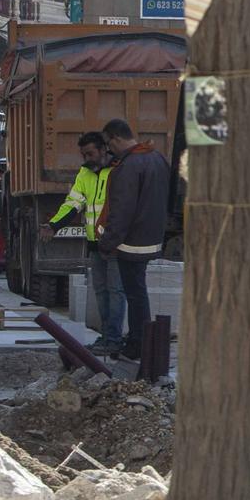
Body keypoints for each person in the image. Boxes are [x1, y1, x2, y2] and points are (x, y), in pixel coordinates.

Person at [96, 118, 168, 363]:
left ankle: (138, 343)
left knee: (135, 294)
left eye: (108, 144)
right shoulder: (157, 159)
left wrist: (107, 243)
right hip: (152, 237)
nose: (108, 150)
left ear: (116, 138)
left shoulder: (127, 167)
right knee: (139, 292)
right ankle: (141, 340)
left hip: (130, 242)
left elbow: (121, 210)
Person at [49, 131, 121, 354]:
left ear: (102, 150)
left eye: (90, 153)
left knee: (116, 291)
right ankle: (107, 337)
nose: (86, 158)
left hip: (116, 243)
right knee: (101, 291)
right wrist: (53, 225)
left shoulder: (118, 171)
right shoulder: (85, 173)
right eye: (83, 155)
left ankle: (114, 339)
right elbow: (73, 203)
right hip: (95, 244)